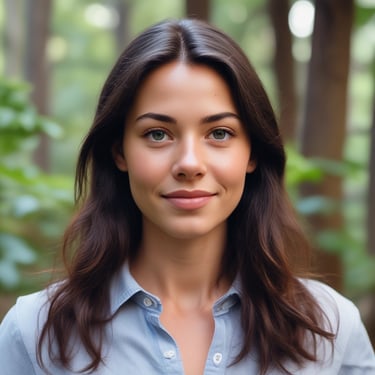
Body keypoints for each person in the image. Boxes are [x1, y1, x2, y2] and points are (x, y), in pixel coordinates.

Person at [0, 18, 374, 375]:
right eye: (158, 134)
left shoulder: (329, 328)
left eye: (220, 133)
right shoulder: (34, 333)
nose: (190, 164)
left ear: (253, 153)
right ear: (119, 151)